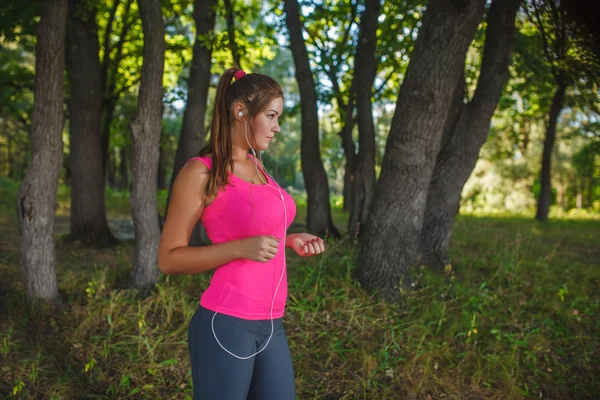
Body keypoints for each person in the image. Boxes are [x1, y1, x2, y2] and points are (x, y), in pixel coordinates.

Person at [158, 66, 326, 400]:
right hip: (227, 324)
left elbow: (257, 227)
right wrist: (240, 248)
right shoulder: (200, 173)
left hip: (271, 324)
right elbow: (168, 259)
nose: (277, 127)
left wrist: (289, 240)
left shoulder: (256, 164)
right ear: (240, 112)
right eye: (271, 116)